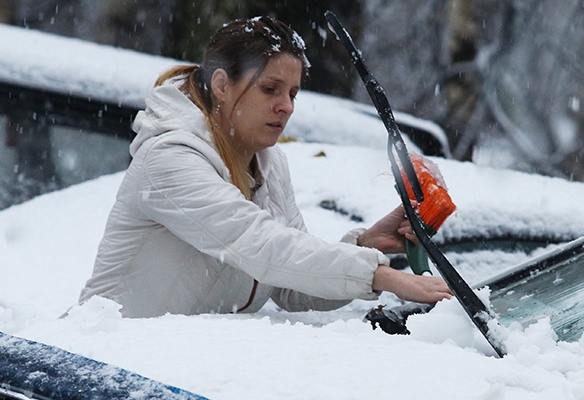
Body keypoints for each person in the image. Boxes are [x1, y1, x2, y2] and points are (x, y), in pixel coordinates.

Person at [78, 16, 452, 317]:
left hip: (186, 368)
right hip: (104, 364)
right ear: (221, 85)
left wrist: (365, 244)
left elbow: (291, 285)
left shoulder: (269, 166)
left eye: (293, 93)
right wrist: (381, 275)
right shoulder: (169, 157)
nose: (286, 106)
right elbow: (260, 245)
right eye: (270, 89)